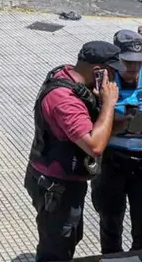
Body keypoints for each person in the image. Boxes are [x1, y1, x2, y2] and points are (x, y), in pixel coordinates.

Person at [24, 41, 123, 261]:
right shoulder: (64, 100)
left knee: (69, 238)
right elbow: (95, 146)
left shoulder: (69, 75)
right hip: (56, 188)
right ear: (98, 71)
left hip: (60, 181)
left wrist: (119, 122)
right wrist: (108, 104)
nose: (115, 77)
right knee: (56, 251)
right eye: (113, 71)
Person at [91, 30, 142, 255]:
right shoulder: (100, 82)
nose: (133, 68)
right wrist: (122, 122)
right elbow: (91, 126)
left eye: (138, 62)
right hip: (112, 163)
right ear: (116, 60)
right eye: (127, 62)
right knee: (110, 221)